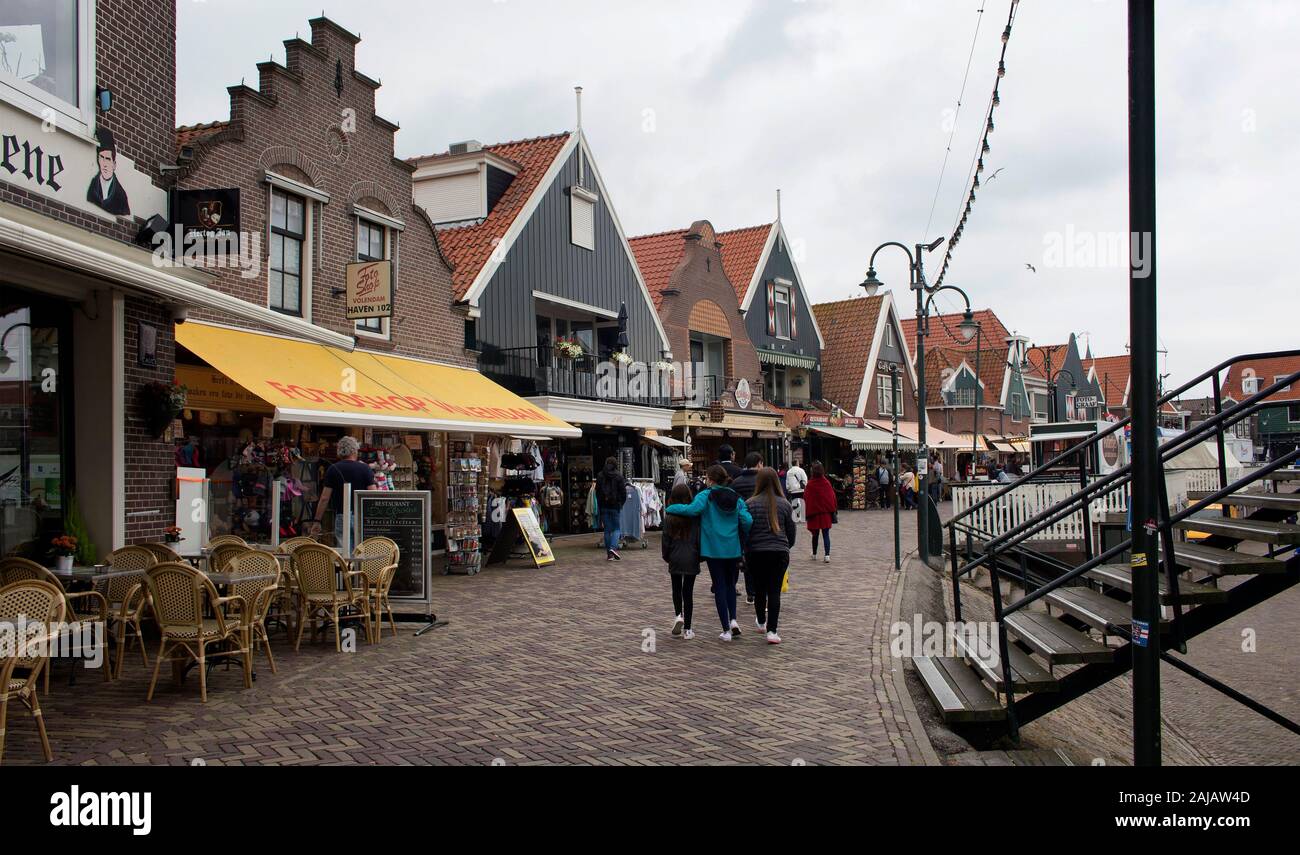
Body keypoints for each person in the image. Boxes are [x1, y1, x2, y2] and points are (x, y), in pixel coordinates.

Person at [664, 464, 753, 642]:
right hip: (732, 548)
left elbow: (691, 510)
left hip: (713, 549)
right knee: (730, 584)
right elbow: (747, 520)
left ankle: (726, 630)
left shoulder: (706, 495)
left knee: (719, 586)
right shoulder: (736, 497)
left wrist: (670, 509)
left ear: (710, 480)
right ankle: (734, 620)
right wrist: (741, 534)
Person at [745, 468, 797, 644]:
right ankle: (772, 631)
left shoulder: (750, 504)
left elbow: (745, 529)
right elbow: (791, 532)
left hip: (756, 552)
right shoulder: (784, 504)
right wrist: (785, 546)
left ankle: (761, 621)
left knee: (760, 589)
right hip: (779, 552)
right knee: (774, 591)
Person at [312, 436, 375, 554]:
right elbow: (373, 495)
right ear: (355, 450)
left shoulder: (333, 469)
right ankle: (358, 572)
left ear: (340, 451)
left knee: (344, 554)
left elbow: (325, 498)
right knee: (361, 552)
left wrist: (317, 520)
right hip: (361, 517)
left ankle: (346, 572)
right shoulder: (365, 469)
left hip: (342, 516)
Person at [661, 483, 701, 640]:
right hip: (691, 555)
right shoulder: (695, 516)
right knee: (688, 592)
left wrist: (666, 556)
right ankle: (688, 629)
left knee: (676, 589)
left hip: (675, 556)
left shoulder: (669, 517)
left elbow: (665, 539)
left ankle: (678, 615)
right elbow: (699, 538)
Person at [804, 462, 837, 563]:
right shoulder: (826, 483)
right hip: (825, 513)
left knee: (815, 534)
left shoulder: (810, 484)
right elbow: (832, 497)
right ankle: (827, 555)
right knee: (826, 534)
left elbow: (806, 497)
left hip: (814, 513)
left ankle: (814, 554)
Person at [595, 456, 628, 561]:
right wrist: (621, 503)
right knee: (617, 529)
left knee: (607, 530)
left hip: (604, 506)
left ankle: (609, 555)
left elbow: (597, 491)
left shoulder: (600, 475)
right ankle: (613, 548)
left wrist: (600, 504)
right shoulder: (619, 476)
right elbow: (623, 492)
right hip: (615, 505)